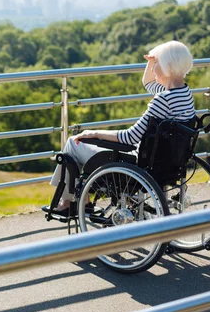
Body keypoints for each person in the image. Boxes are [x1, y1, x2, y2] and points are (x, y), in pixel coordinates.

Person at [43, 40, 196, 217]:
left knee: (73, 143)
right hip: (168, 163)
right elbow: (148, 82)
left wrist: (94, 133)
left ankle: (70, 202)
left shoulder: (162, 100)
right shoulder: (184, 94)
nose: (154, 70)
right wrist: (152, 60)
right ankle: (75, 201)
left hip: (138, 162)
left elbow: (130, 137)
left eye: (157, 65)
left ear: (168, 66)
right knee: (79, 143)